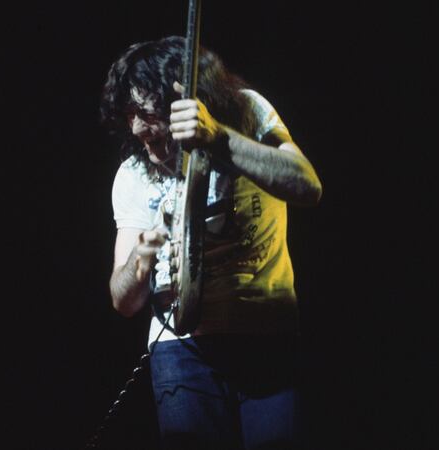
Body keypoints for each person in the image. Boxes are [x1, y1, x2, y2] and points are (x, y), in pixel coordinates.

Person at [100, 36, 322, 450]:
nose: (136, 128)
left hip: (265, 332)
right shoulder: (132, 174)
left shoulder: (246, 111)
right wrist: (141, 256)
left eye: (146, 112)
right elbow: (122, 299)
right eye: (129, 114)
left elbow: (307, 185)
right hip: (181, 350)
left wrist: (218, 138)